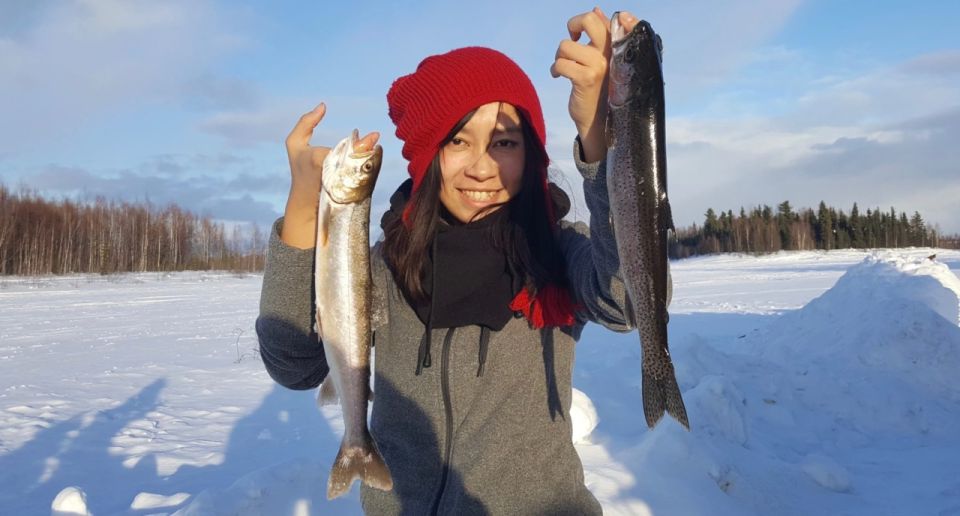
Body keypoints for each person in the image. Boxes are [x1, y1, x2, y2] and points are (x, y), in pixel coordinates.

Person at [257, 8, 641, 515]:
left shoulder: (556, 253)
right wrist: (306, 206)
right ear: (427, 154)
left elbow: (626, 299)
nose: (482, 167)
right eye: (458, 140)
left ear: (530, 155)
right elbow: (294, 364)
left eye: (504, 143)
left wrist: (604, 139)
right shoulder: (384, 269)